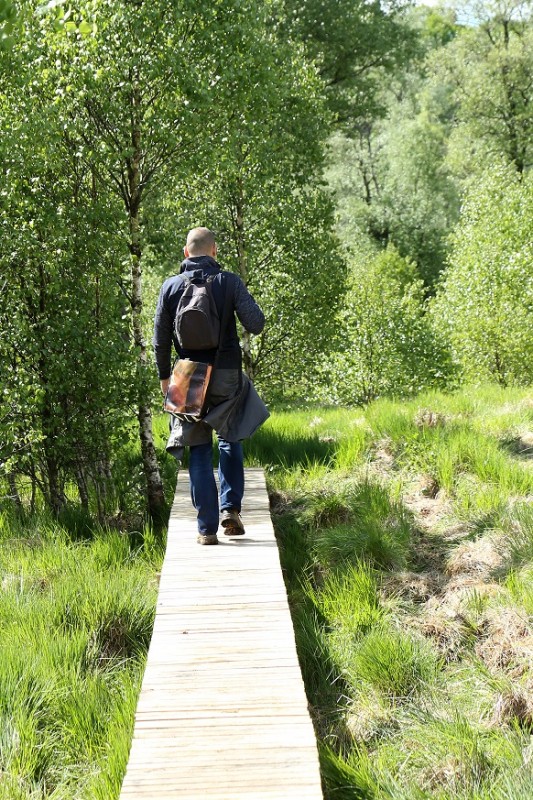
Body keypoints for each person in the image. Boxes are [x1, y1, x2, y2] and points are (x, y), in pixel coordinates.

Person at [153, 227, 265, 545]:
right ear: (214, 251)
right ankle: (230, 509)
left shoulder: (170, 287)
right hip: (226, 371)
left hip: (186, 373)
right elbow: (255, 323)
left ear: (186, 253)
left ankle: (206, 529)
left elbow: (160, 340)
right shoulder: (228, 281)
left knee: (199, 448)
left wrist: (165, 377)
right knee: (229, 439)